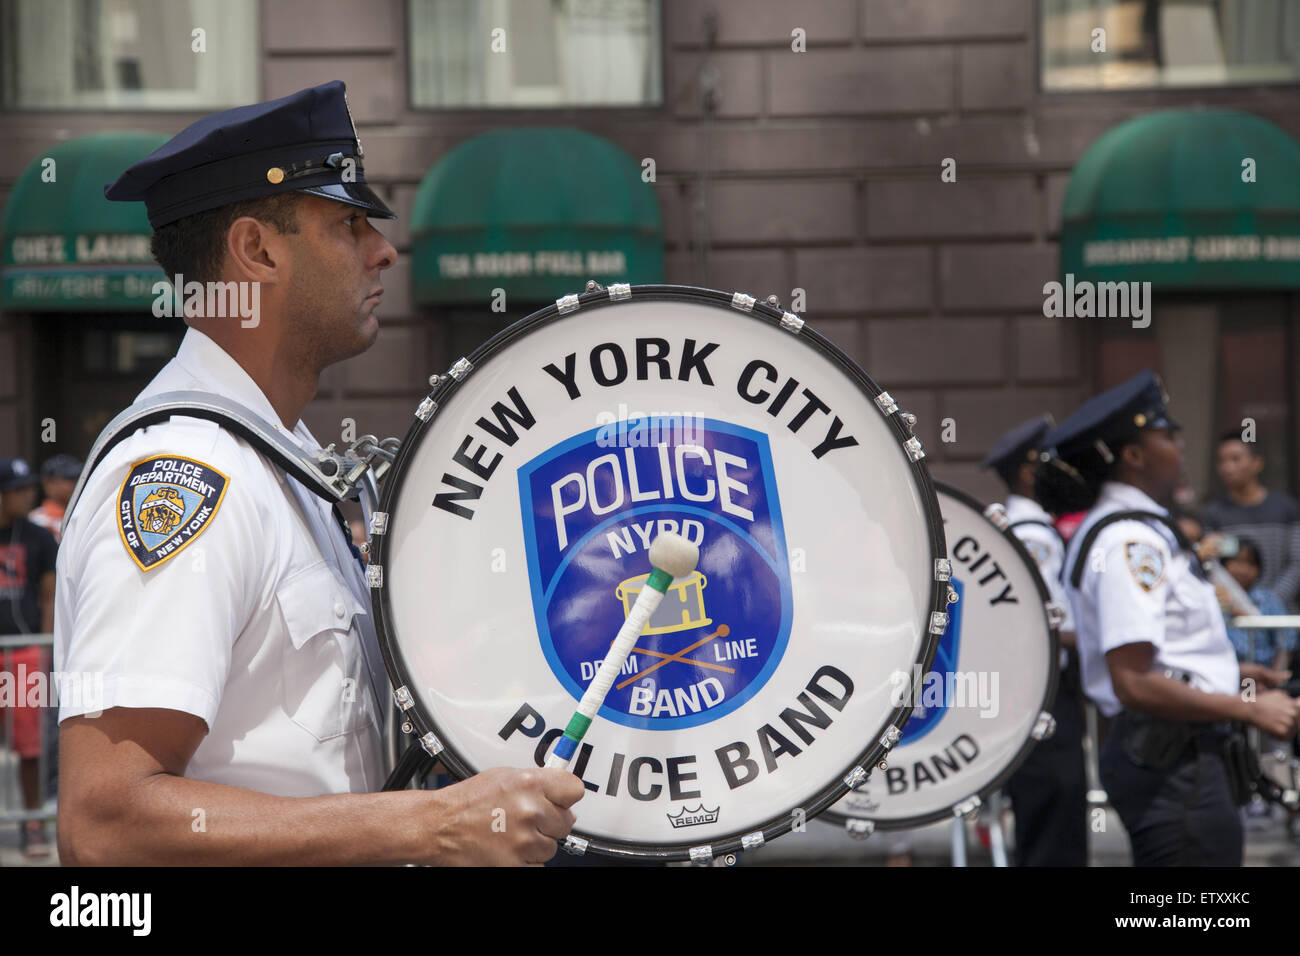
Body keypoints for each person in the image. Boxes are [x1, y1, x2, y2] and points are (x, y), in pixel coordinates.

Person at [54, 81, 583, 866]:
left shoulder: (278, 459)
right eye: (347, 223)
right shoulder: (189, 474)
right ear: (256, 252)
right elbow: (104, 823)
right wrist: (431, 825)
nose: (383, 249)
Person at [1043, 370, 1300, 866]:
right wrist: (1249, 710)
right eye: (1165, 434)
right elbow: (1134, 681)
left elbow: (1161, 654)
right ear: (1134, 456)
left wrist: (1235, 675)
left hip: (1180, 756)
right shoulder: (1130, 543)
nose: (1180, 445)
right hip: (1174, 763)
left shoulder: (1141, 529)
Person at [981, 415, 1087, 866]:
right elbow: (1042, 623)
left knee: (1046, 816)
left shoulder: (1015, 526)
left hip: (1030, 695)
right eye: (1050, 462)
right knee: (1054, 824)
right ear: (1028, 471)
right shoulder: (1033, 536)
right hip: (1042, 696)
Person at [0, 457, 58, 857]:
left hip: (24, 650)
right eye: (19, 490)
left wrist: (48, 644)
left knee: (30, 746)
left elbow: (49, 594)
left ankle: (33, 823)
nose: (28, 496)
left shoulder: (38, 537)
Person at [1202, 432, 1300, 610]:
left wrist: (1269, 603)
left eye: (1235, 459)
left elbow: (1296, 564)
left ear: (1257, 463)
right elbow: (1212, 567)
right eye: (1222, 461)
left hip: (1280, 617)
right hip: (1233, 616)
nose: (1227, 467)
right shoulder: (1213, 514)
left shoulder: (1287, 509)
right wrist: (1241, 605)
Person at [28, 455, 82, 544]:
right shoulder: (35, 520)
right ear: (48, 483)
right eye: (68, 478)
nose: (75, 483)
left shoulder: (83, 514)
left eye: (77, 478)